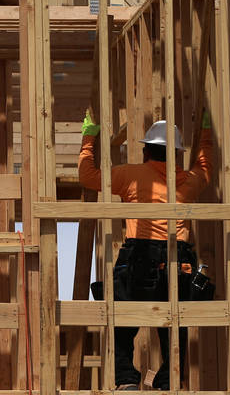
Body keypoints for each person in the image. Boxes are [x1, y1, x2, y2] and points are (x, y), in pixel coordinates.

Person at [78, 112, 214, 391]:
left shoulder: (130, 175)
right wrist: (205, 134)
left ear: (146, 149)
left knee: (121, 317)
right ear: (175, 153)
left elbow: (87, 175)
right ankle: (168, 380)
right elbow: (205, 165)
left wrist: (88, 137)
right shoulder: (188, 181)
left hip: (138, 256)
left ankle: (127, 379)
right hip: (178, 259)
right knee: (177, 324)